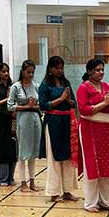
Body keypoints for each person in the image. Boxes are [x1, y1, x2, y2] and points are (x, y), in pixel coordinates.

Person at [76, 58, 109, 213]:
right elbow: (84, 110)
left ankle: (105, 201)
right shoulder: (83, 88)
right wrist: (104, 103)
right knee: (92, 166)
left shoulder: (107, 86)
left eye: (102, 70)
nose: (101, 72)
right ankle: (90, 202)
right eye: (97, 70)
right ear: (89, 72)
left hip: (107, 129)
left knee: (105, 166)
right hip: (90, 129)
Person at [39, 56, 78, 202]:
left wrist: (68, 100)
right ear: (50, 68)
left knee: (68, 158)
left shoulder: (65, 83)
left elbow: (74, 103)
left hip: (67, 122)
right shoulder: (45, 85)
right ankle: (54, 192)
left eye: (62, 68)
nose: (60, 70)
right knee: (54, 159)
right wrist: (60, 100)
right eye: (57, 68)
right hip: (52, 122)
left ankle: (67, 191)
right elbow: (43, 105)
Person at [7, 59, 42, 193]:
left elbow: (42, 104)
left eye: (32, 72)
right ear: (22, 71)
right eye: (28, 72)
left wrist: (34, 106)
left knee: (33, 151)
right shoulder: (16, 87)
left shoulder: (36, 85)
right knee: (23, 151)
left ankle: (32, 181)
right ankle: (23, 182)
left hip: (35, 118)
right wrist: (26, 106)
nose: (31, 75)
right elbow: (10, 106)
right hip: (22, 119)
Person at [0, 63, 16, 187]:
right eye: (3, 71)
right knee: (1, 148)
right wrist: (7, 99)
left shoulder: (13, 86)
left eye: (7, 71)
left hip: (12, 119)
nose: (6, 73)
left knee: (12, 148)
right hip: (0, 119)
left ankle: (11, 177)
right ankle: (2, 178)